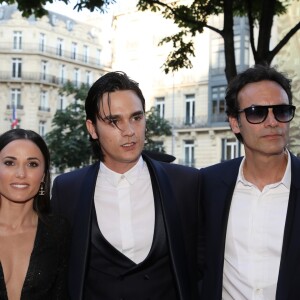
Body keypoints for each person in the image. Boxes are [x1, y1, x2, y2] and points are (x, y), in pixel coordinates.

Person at [51, 71, 201, 300]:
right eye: (114, 121)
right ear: (92, 128)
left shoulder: (185, 183)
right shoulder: (67, 189)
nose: (129, 131)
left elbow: (204, 264)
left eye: (136, 117)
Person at [199, 64, 300, 299]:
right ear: (235, 123)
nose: (272, 122)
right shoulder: (209, 184)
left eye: (281, 111)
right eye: (257, 112)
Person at [0, 128, 70, 300]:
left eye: (32, 164)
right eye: (9, 163)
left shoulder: (58, 230)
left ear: (43, 176)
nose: (21, 174)